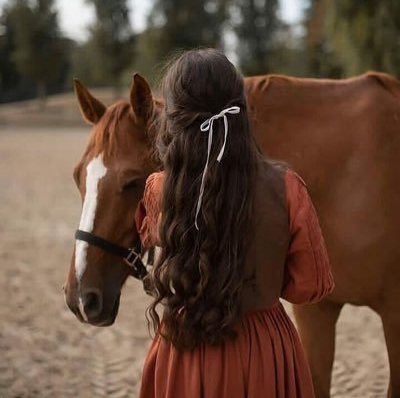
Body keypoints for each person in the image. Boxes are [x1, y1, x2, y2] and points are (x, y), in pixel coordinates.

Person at [134, 48, 334, 398]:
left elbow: (153, 246)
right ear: (240, 111)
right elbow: (308, 286)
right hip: (265, 353)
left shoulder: (158, 189)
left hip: (183, 347)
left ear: (175, 117)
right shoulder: (288, 188)